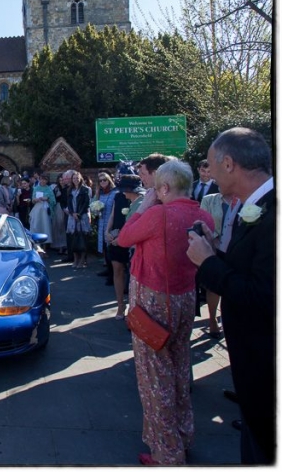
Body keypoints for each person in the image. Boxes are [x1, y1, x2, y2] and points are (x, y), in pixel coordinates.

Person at [117, 160, 214, 465]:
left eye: (155, 187)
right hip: (185, 299)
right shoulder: (202, 214)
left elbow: (124, 238)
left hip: (153, 300)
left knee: (154, 378)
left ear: (165, 188)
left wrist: (145, 205)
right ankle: (183, 436)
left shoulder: (158, 213)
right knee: (179, 369)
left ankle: (167, 452)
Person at [186, 127, 274, 464]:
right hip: (250, 362)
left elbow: (264, 295)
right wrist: (215, 251)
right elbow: (247, 270)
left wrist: (207, 263)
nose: (204, 173)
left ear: (228, 164)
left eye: (209, 164)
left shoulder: (271, 214)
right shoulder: (253, 207)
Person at [198, 191, 241, 338]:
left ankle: (230, 320)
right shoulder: (209, 200)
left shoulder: (242, 198)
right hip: (215, 247)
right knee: (215, 285)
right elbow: (202, 222)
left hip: (236, 249)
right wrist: (214, 239)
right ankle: (212, 320)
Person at [104, 174, 142, 320]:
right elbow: (113, 215)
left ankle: (134, 308)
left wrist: (122, 238)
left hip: (130, 238)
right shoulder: (118, 196)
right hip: (116, 235)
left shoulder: (141, 201)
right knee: (117, 269)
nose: (123, 192)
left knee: (134, 274)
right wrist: (108, 231)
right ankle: (120, 305)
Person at [93, 172, 117, 279]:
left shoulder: (115, 192)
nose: (103, 182)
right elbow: (93, 206)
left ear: (109, 180)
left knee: (110, 248)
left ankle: (113, 273)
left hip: (111, 223)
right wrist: (96, 209)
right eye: (100, 180)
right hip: (102, 222)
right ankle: (108, 269)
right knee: (105, 247)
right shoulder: (100, 192)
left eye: (105, 180)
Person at [66, 171, 92, 268]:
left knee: (83, 238)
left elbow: (86, 203)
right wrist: (72, 213)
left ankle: (82, 260)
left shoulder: (86, 189)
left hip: (82, 216)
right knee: (73, 238)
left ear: (81, 178)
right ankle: (75, 259)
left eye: (77, 178)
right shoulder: (70, 190)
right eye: (74, 178)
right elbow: (68, 203)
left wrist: (79, 214)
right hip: (72, 217)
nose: (75, 180)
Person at [29, 173, 55, 244]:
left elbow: (53, 201)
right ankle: (37, 246)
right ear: (39, 180)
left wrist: (47, 199)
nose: (43, 181)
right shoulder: (36, 188)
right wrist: (36, 200)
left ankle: (45, 248)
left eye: (45, 180)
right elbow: (33, 200)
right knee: (36, 226)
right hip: (37, 210)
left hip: (45, 210)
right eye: (42, 179)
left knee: (45, 227)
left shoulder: (49, 189)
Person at [50, 174, 67, 254]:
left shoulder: (67, 188)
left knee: (64, 227)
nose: (62, 182)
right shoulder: (56, 188)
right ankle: (59, 245)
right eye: (60, 180)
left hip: (66, 208)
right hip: (58, 207)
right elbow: (53, 199)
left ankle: (65, 245)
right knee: (57, 226)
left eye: (63, 180)